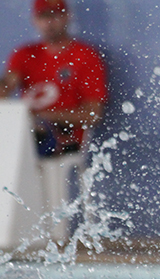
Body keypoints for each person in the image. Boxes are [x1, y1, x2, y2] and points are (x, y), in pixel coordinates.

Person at [0, 0, 107, 244]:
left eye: (55, 15)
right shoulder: (24, 55)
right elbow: (6, 88)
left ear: (67, 16)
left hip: (64, 138)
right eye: (44, 16)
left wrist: (43, 118)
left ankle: (54, 236)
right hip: (25, 137)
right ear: (34, 20)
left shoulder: (85, 56)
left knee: (25, 132)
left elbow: (93, 113)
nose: (49, 22)